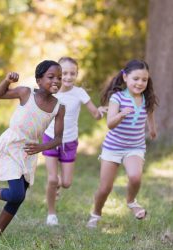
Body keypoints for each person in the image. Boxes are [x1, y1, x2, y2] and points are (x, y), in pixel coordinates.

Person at [0, 60, 65, 237]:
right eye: (51, 77)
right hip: (11, 145)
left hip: (30, 150)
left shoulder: (59, 107)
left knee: (19, 196)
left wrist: (42, 147)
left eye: (59, 78)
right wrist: (7, 81)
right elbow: (0, 94)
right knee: (16, 194)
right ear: (39, 80)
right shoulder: (26, 92)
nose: (56, 81)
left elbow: (59, 138)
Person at [86, 59, 157, 228]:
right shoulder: (117, 98)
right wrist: (121, 114)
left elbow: (150, 113)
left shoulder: (146, 99)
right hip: (113, 148)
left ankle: (131, 202)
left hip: (135, 147)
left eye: (144, 80)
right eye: (136, 79)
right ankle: (95, 214)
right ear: (125, 77)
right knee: (105, 188)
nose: (140, 83)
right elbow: (110, 123)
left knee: (135, 176)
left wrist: (152, 129)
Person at [42, 57, 108, 226]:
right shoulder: (51, 91)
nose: (68, 77)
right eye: (64, 73)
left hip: (69, 141)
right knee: (52, 179)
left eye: (73, 73)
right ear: (57, 74)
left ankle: (57, 185)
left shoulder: (79, 93)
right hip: (50, 138)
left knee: (66, 183)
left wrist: (101, 111)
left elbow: (95, 114)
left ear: (77, 74)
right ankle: (51, 214)